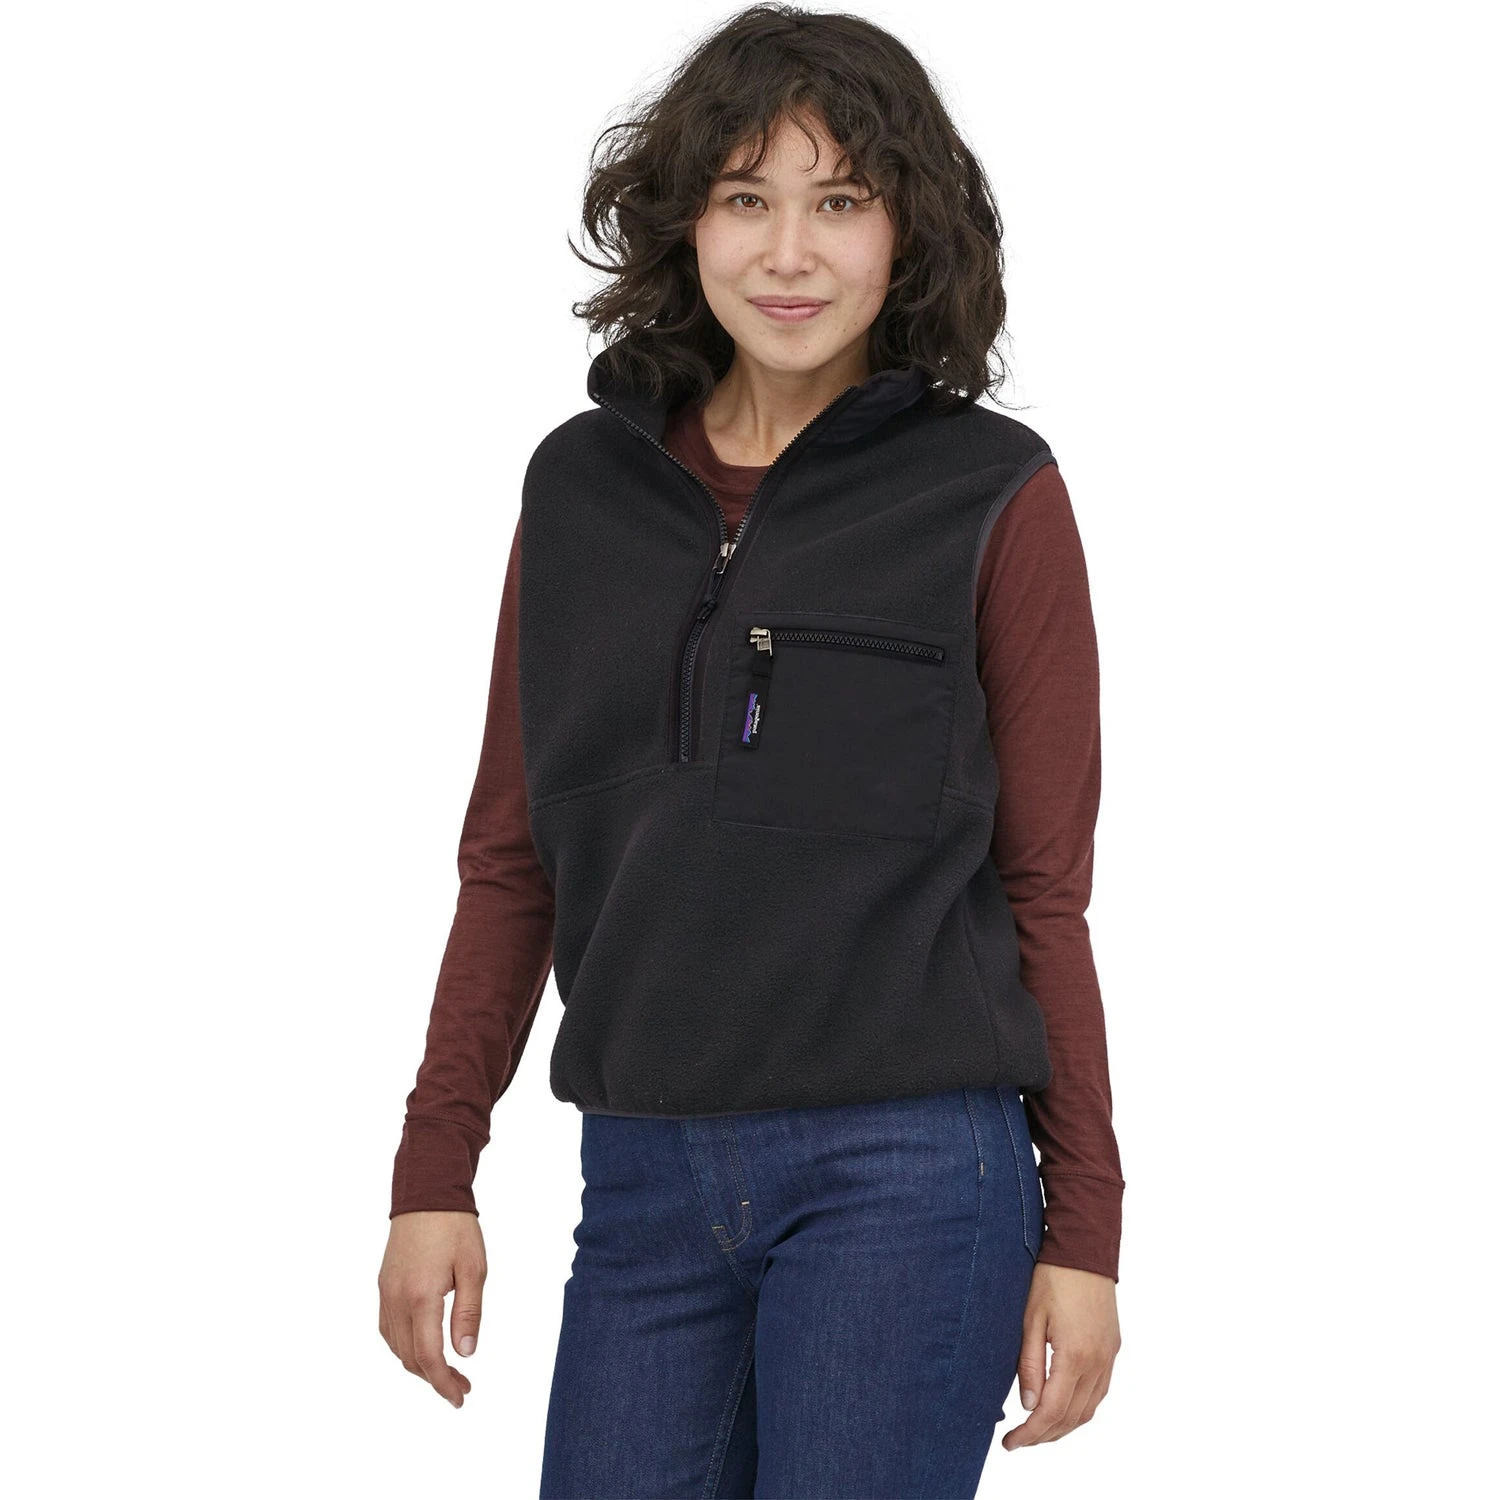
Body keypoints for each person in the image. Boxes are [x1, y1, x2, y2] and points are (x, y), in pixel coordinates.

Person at [378, 6, 1124, 1494]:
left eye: (839, 201)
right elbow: (513, 854)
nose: (790, 253)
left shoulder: (991, 493)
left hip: (909, 1176)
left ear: (907, 230)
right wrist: (432, 1167)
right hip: (643, 1176)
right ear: (686, 222)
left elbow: (1044, 884)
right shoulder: (580, 489)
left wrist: (1087, 1233)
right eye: (745, 197)